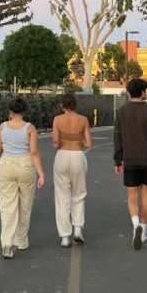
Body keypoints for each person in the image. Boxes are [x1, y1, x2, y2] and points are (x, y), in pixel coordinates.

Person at [113, 78, 147, 250]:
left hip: (130, 160)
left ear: (129, 92)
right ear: (143, 92)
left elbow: (118, 138)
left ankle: (135, 223)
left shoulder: (121, 112)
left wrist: (118, 159)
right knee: (146, 196)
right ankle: (143, 231)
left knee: (131, 197)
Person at [0, 97, 45, 259]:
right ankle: (21, 240)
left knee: (7, 206)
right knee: (25, 205)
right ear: (24, 111)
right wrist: (41, 173)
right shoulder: (30, 128)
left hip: (6, 164)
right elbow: (34, 152)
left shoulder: (1, 128)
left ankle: (7, 243)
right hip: (25, 165)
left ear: (10, 112)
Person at [52, 93, 92, 247]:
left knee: (62, 197)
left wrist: (64, 140)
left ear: (62, 105)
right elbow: (88, 143)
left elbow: (55, 143)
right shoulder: (83, 120)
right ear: (75, 104)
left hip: (62, 156)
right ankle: (77, 229)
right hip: (78, 156)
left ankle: (64, 237)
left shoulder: (57, 120)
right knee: (79, 194)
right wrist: (77, 140)